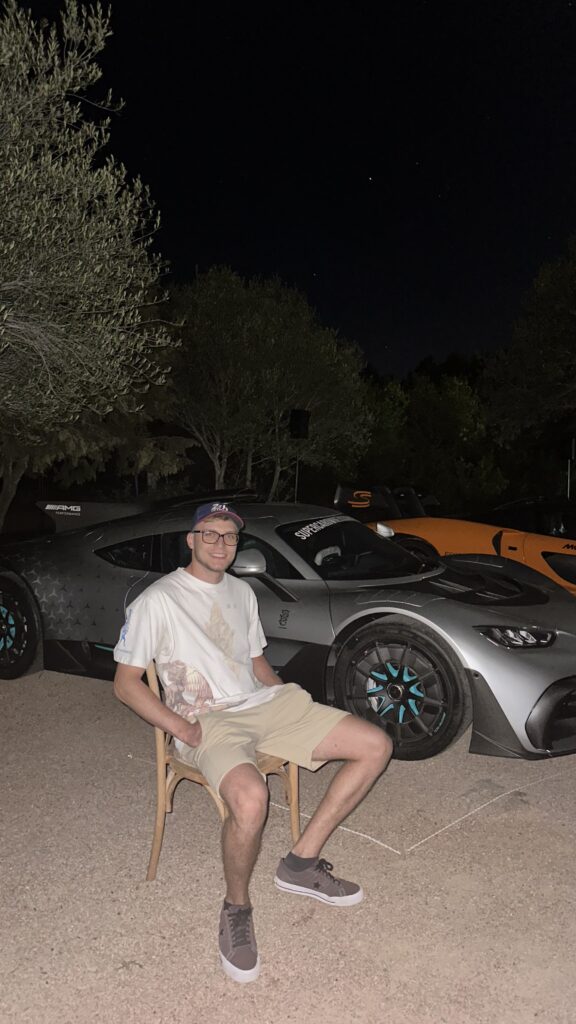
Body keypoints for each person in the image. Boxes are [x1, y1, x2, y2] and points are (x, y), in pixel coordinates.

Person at [113, 501, 393, 984]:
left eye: (229, 536)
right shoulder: (157, 600)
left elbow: (255, 661)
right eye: (210, 533)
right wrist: (181, 729)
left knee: (375, 745)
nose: (220, 543)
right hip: (207, 719)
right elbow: (125, 683)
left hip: (264, 705)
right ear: (191, 540)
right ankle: (236, 908)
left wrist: (283, 694)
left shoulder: (242, 592)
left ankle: (300, 864)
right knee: (251, 799)